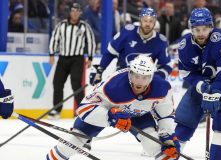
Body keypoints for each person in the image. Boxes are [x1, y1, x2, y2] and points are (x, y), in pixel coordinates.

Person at [46, 55, 180, 160]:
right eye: (136, 76)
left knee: (157, 147)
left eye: (144, 78)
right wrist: (110, 117)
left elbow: (166, 115)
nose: (139, 82)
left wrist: (168, 139)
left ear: (151, 77)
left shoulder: (162, 88)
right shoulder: (113, 85)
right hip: (106, 110)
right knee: (70, 145)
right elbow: (83, 109)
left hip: (139, 115)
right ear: (130, 73)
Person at [174, 8, 221, 160]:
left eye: (204, 29)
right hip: (202, 86)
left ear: (211, 27)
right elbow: (187, 72)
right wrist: (200, 85)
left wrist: (216, 92)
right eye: (197, 29)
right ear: (191, 28)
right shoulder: (184, 45)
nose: (200, 33)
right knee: (184, 125)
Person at [90, 7, 172, 86]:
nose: (148, 24)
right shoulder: (127, 33)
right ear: (140, 20)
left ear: (154, 22)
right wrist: (100, 71)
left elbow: (166, 65)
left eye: (151, 21)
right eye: (145, 20)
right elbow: (110, 53)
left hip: (143, 82)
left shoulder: (161, 41)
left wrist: (157, 77)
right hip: (121, 78)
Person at [48, 3, 96, 119]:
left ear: (80, 13)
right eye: (73, 10)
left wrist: (90, 58)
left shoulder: (84, 26)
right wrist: (51, 54)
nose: (75, 13)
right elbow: (54, 39)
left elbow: (90, 42)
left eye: (77, 11)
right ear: (70, 12)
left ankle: (81, 110)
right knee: (57, 83)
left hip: (77, 59)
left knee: (76, 84)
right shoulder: (61, 25)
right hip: (63, 58)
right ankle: (57, 110)